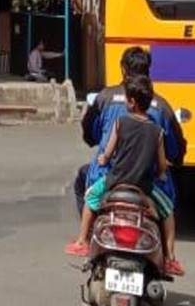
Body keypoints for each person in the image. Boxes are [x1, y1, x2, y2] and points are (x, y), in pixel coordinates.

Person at [66, 75, 183, 275]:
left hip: (115, 182)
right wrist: (161, 172)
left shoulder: (120, 123)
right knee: (168, 212)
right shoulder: (157, 132)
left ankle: (82, 240)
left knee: (90, 198)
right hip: (144, 188)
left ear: (131, 102)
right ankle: (170, 258)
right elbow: (162, 166)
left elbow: (108, 153)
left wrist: (103, 160)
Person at [76, 47, 185, 228]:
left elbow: (90, 134)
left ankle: (86, 238)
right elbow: (175, 151)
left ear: (123, 69)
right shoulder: (162, 107)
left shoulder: (105, 98)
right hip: (147, 183)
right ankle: (168, 253)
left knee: (84, 184)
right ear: (148, 71)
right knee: (168, 208)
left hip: (109, 177)